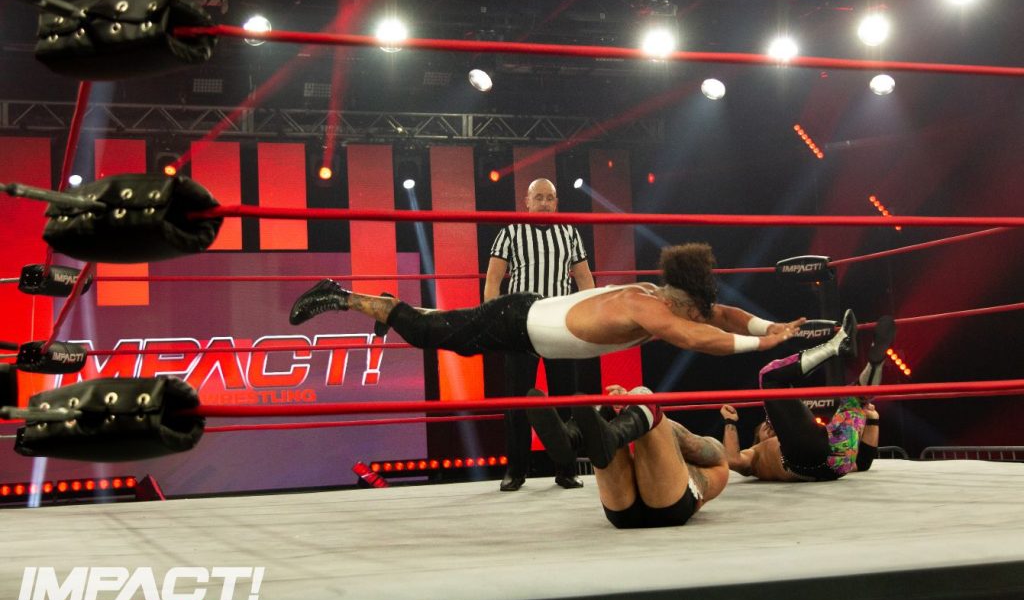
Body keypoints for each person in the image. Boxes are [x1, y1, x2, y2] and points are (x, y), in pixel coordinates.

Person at [290, 242, 804, 361]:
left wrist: (769, 327)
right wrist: (761, 347)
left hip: (529, 317)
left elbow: (722, 316)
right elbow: (696, 337)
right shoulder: (647, 307)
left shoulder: (667, 296)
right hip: (516, 321)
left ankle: (386, 305)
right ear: (684, 302)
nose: (703, 315)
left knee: (441, 325)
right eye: (698, 310)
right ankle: (341, 295)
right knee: (428, 333)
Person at [484, 177, 595, 492]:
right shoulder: (510, 232)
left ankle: (566, 469)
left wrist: (588, 318)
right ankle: (516, 470)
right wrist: (496, 321)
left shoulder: (569, 233)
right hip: (522, 324)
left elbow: (585, 279)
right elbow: (493, 281)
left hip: (559, 324)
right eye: (539, 197)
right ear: (527, 201)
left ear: (556, 203)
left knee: (564, 399)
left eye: (550, 198)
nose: (544, 203)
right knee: (517, 400)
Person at [721, 314, 894, 482]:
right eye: (765, 426)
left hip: (838, 462)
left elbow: (862, 463)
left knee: (854, 397)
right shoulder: (754, 454)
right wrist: (730, 422)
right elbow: (733, 460)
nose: (770, 425)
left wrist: (873, 420)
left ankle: (875, 365)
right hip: (804, 459)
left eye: (770, 423)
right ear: (756, 438)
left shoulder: (796, 434)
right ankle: (835, 346)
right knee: (768, 377)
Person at [527, 385, 730, 528]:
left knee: (642, 395)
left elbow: (687, 442)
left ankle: (575, 438)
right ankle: (570, 438)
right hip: (637, 509)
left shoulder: (717, 459)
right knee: (608, 414)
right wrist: (621, 408)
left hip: (662, 507)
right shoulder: (656, 461)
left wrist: (629, 406)